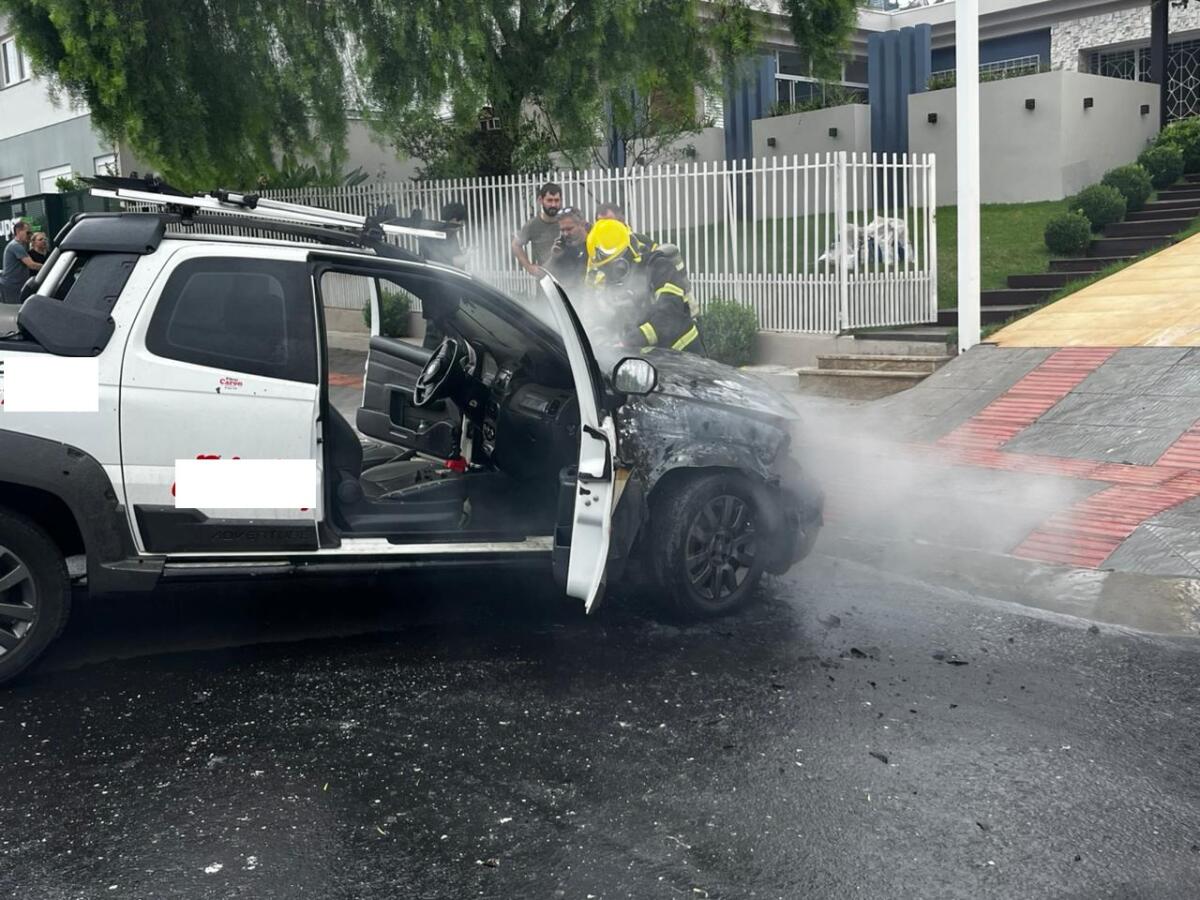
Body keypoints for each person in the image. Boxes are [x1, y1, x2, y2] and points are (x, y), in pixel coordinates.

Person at [585, 218, 703, 355]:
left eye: (611, 267)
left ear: (625, 257)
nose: (609, 275)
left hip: (686, 353)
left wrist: (630, 341)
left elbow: (670, 314)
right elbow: (610, 320)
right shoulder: (616, 286)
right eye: (604, 269)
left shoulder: (659, 267)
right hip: (655, 360)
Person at [511, 182, 562, 277]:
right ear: (540, 200)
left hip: (570, 279)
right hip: (545, 280)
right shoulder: (532, 225)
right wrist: (529, 267)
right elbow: (515, 245)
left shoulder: (567, 221)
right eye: (549, 200)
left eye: (556, 200)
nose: (553, 205)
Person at [545, 207, 589, 289]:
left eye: (569, 229)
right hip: (569, 297)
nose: (565, 234)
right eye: (562, 230)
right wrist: (553, 257)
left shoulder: (594, 243)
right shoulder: (561, 247)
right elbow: (543, 276)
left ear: (582, 224)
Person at [1, 221, 42, 304]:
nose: (30, 235)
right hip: (12, 286)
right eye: (28, 232)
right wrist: (50, 267)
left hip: (16, 286)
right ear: (19, 232)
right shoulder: (16, 246)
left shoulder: (21, 246)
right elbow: (32, 265)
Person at [419, 202, 468, 269]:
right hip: (443, 275)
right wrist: (468, 256)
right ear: (453, 219)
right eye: (461, 220)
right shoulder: (443, 236)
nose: (462, 224)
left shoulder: (447, 233)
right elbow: (453, 262)